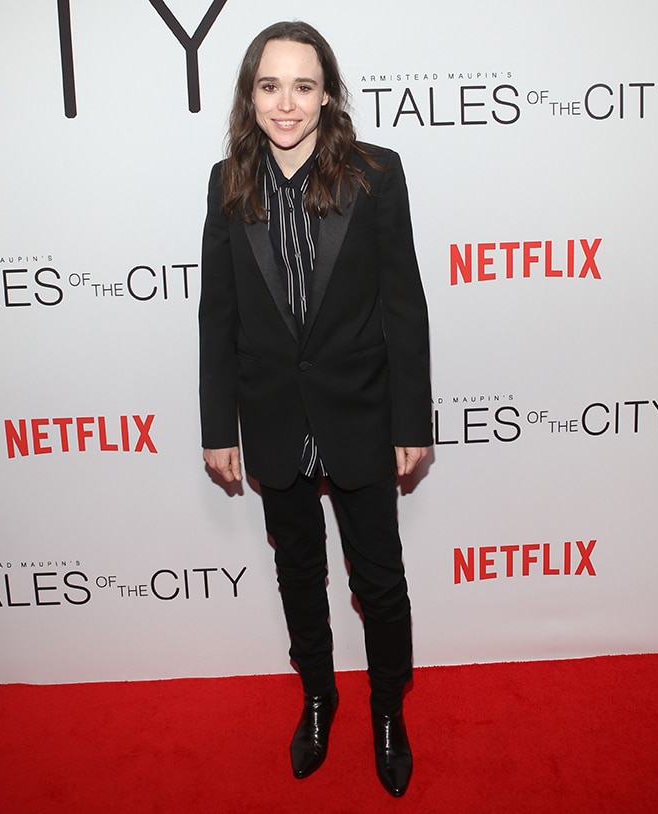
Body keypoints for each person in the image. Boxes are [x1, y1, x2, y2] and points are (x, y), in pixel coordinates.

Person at [198, 20, 431, 798]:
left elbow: (405, 305)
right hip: (270, 420)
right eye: (270, 86)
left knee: (381, 580)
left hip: (362, 415)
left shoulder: (376, 174)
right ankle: (319, 695)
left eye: (303, 85)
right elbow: (218, 315)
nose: (286, 103)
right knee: (299, 572)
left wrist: (411, 423)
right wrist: (216, 428)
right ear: (251, 94)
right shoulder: (228, 181)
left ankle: (388, 709)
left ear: (326, 92)